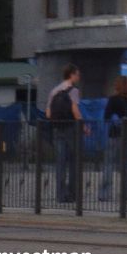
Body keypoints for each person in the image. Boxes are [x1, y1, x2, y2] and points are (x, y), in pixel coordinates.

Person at [45, 64, 84, 204]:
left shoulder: (55, 90)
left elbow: (48, 113)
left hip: (57, 128)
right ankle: (72, 194)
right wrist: (83, 125)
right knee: (74, 161)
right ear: (72, 75)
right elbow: (75, 110)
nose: (79, 78)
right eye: (77, 75)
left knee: (60, 163)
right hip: (70, 128)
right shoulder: (73, 90)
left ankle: (60, 195)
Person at [98, 75, 127, 203]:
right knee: (126, 163)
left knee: (109, 164)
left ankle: (104, 194)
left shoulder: (113, 99)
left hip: (114, 134)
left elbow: (106, 117)